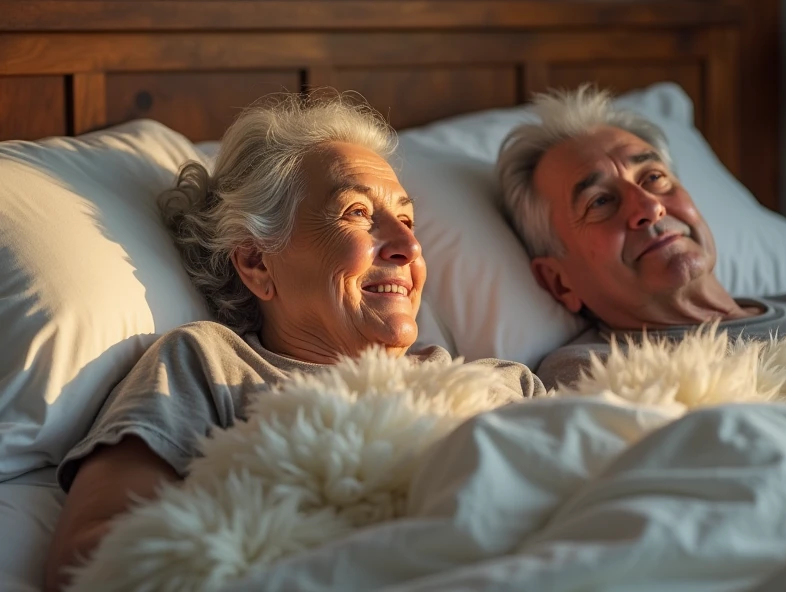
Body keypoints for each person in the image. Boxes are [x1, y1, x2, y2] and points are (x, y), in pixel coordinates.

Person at [45, 94, 543, 591]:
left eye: (407, 221)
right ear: (257, 263)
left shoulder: (502, 384)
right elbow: (90, 557)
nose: (408, 246)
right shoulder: (209, 367)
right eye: (357, 213)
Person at [496, 86, 786, 389]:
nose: (649, 208)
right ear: (559, 281)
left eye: (655, 177)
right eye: (600, 202)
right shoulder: (595, 372)